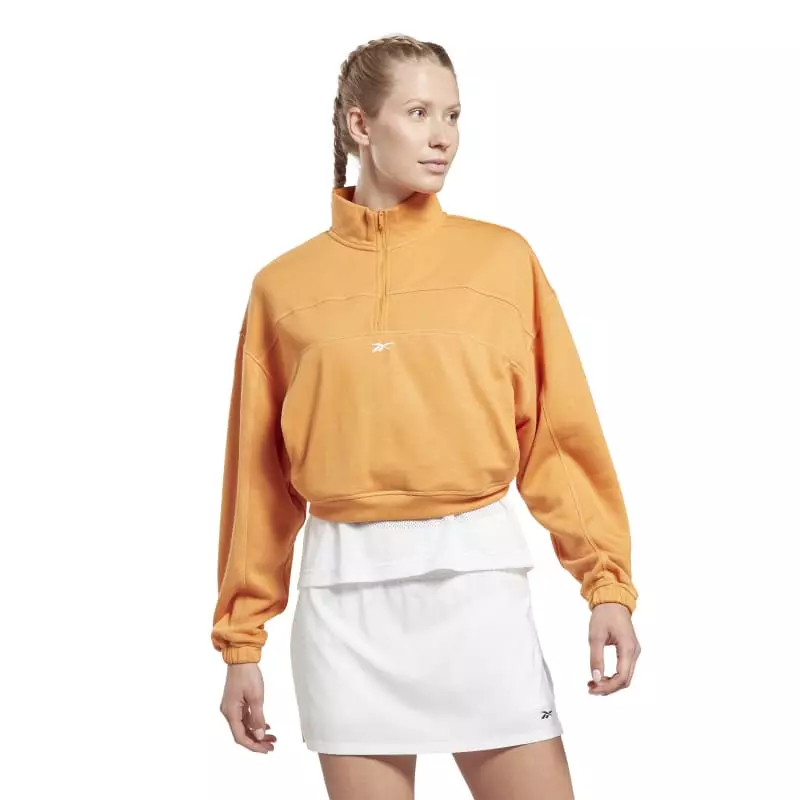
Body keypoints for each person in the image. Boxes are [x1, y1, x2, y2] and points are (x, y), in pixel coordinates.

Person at [212, 34, 641, 800]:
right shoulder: (283, 287)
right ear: (360, 124)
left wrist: (606, 585)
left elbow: (558, 439)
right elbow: (257, 483)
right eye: (418, 113)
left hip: (478, 591)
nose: (442, 135)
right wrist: (242, 644)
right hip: (343, 606)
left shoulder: (502, 261)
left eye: (453, 115)